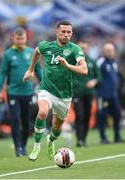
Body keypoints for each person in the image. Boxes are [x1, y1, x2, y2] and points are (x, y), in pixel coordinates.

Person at [23, 20, 88, 161]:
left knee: (57, 127)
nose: (66, 34)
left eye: (69, 32)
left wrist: (67, 65)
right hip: (46, 89)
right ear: (56, 32)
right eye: (63, 32)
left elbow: (84, 69)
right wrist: (30, 69)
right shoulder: (46, 46)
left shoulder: (75, 49)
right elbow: (37, 51)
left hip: (64, 95)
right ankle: (36, 146)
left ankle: (51, 141)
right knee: (42, 113)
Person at [0, 27, 42, 156]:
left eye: (22, 38)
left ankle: (23, 145)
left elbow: (38, 70)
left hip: (28, 92)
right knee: (15, 120)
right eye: (18, 38)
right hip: (13, 93)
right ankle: (18, 148)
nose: (20, 41)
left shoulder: (32, 52)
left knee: (26, 122)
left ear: (26, 39)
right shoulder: (8, 54)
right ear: (13, 39)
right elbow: (2, 74)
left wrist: (45, 84)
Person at [73, 42, 102, 147]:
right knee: (79, 115)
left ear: (87, 49)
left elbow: (98, 76)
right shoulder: (72, 61)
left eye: (85, 48)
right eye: (81, 48)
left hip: (89, 93)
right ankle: (79, 139)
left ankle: (83, 139)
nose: (83, 50)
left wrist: (94, 81)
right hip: (77, 93)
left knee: (87, 116)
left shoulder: (92, 61)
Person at [96, 43, 125, 144]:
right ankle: (103, 138)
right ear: (103, 51)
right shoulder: (100, 62)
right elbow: (95, 77)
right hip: (102, 96)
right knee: (102, 116)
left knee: (117, 115)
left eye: (111, 50)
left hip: (113, 95)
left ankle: (117, 136)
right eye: (107, 50)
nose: (110, 52)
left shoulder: (114, 63)